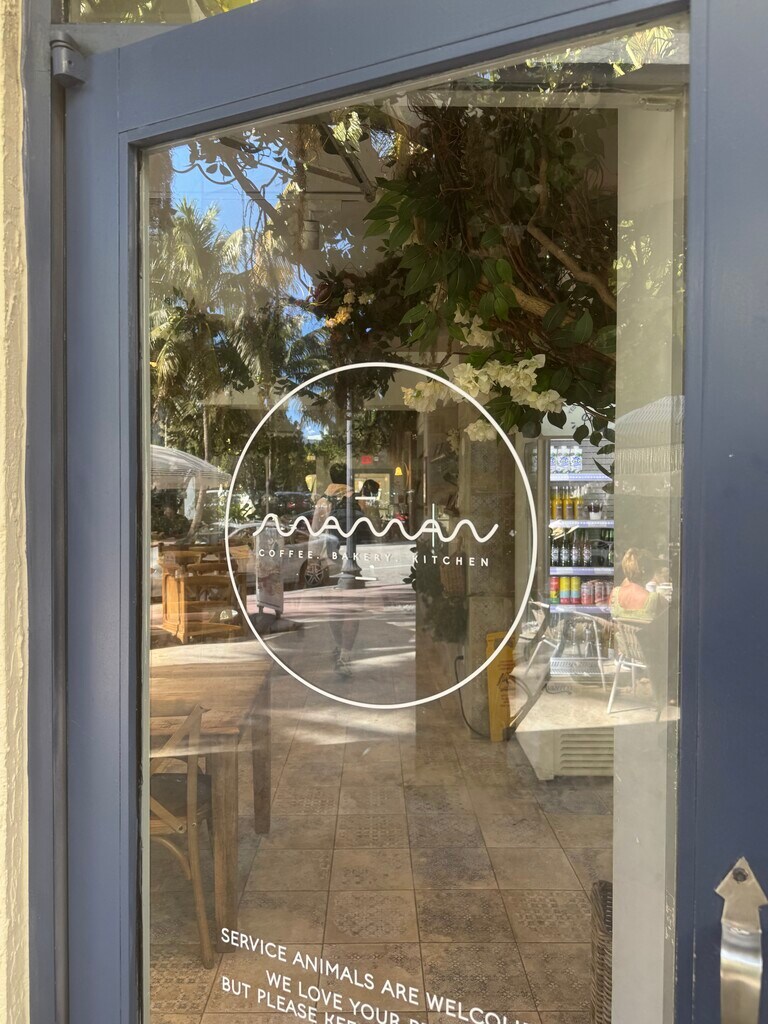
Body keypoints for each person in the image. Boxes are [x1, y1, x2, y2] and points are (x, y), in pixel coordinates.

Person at [311, 463, 361, 676]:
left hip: (330, 561)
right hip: (353, 562)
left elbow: (315, 533)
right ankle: (346, 653)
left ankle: (339, 646)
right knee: (351, 609)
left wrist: (314, 560)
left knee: (334, 608)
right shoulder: (356, 499)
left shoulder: (323, 501)